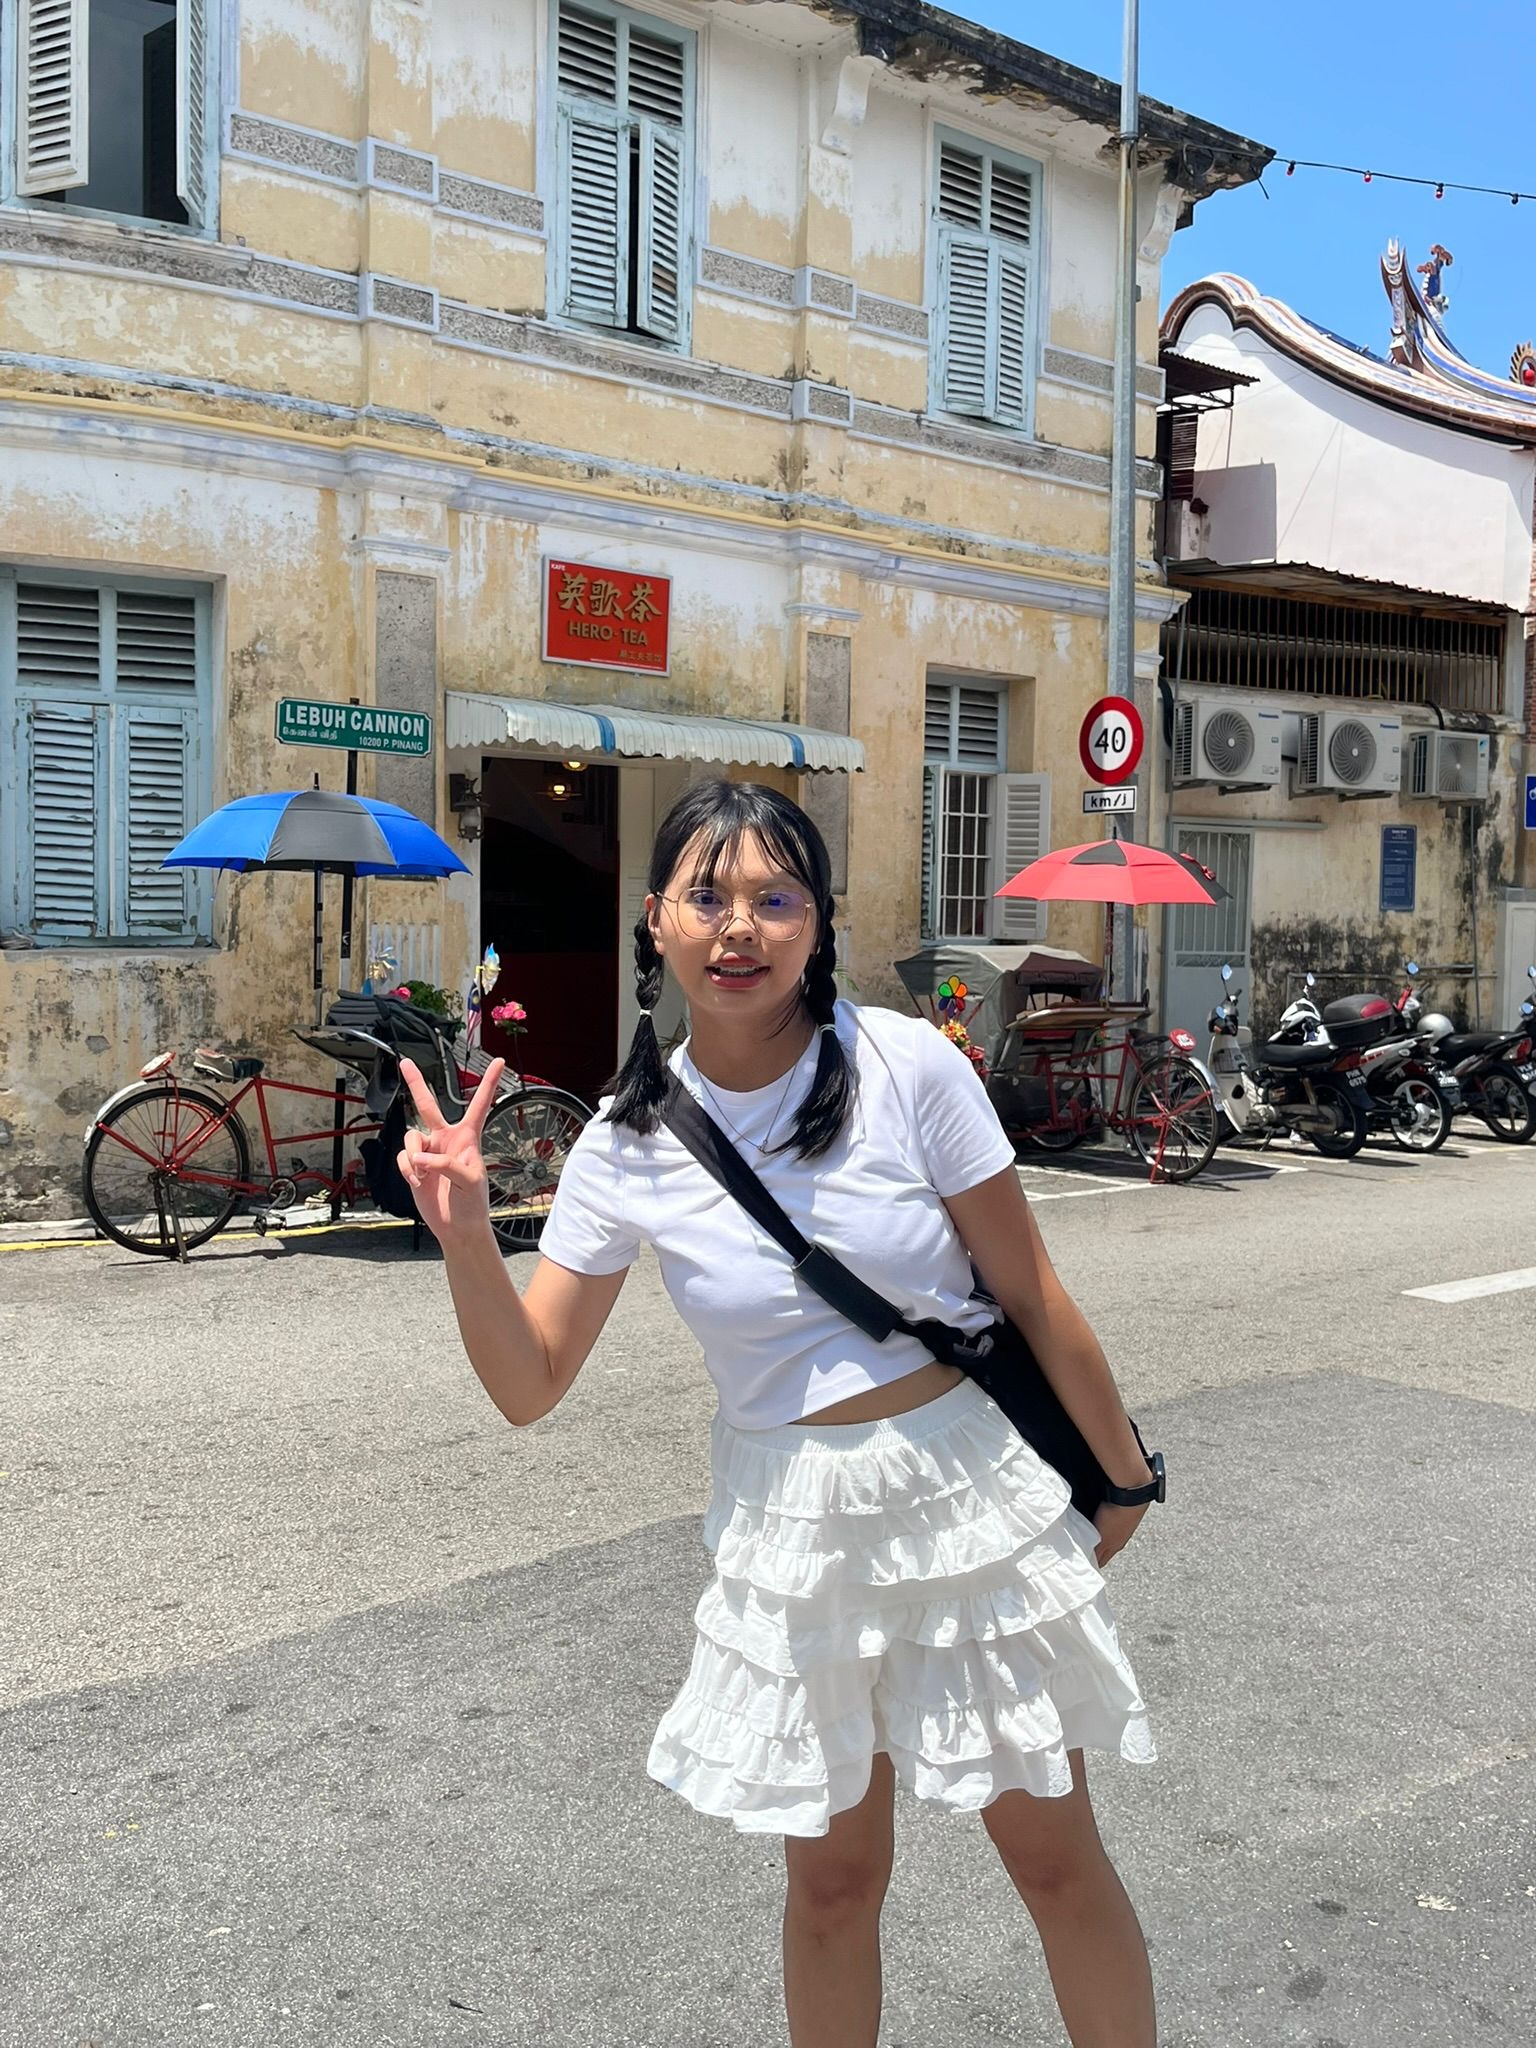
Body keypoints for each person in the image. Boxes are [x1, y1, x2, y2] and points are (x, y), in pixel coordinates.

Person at [397, 780, 1160, 2048]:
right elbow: (530, 1383)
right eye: (707, 896)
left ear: (819, 921)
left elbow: (1032, 1288)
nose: (739, 926)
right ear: (656, 919)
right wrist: (468, 1232)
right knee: (833, 1884)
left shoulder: (907, 1065)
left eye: (775, 897)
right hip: (791, 1531)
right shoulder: (628, 1141)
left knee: (1053, 1858)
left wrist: (1123, 1478)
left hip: (961, 1496)